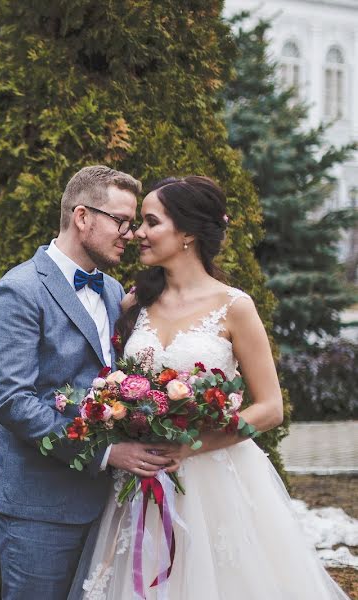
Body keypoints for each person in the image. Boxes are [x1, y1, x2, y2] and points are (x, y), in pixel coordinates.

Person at [69, 176, 348, 599]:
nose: (137, 233)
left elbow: (270, 408)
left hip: (217, 482)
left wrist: (193, 444)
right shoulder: (132, 305)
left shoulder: (235, 307)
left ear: (187, 234)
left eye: (150, 222)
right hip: (143, 482)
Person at [0, 166, 179, 599]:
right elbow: (14, 402)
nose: (130, 234)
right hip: (40, 504)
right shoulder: (18, 290)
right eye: (121, 221)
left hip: (108, 505)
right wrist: (108, 452)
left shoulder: (111, 290)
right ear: (83, 217)